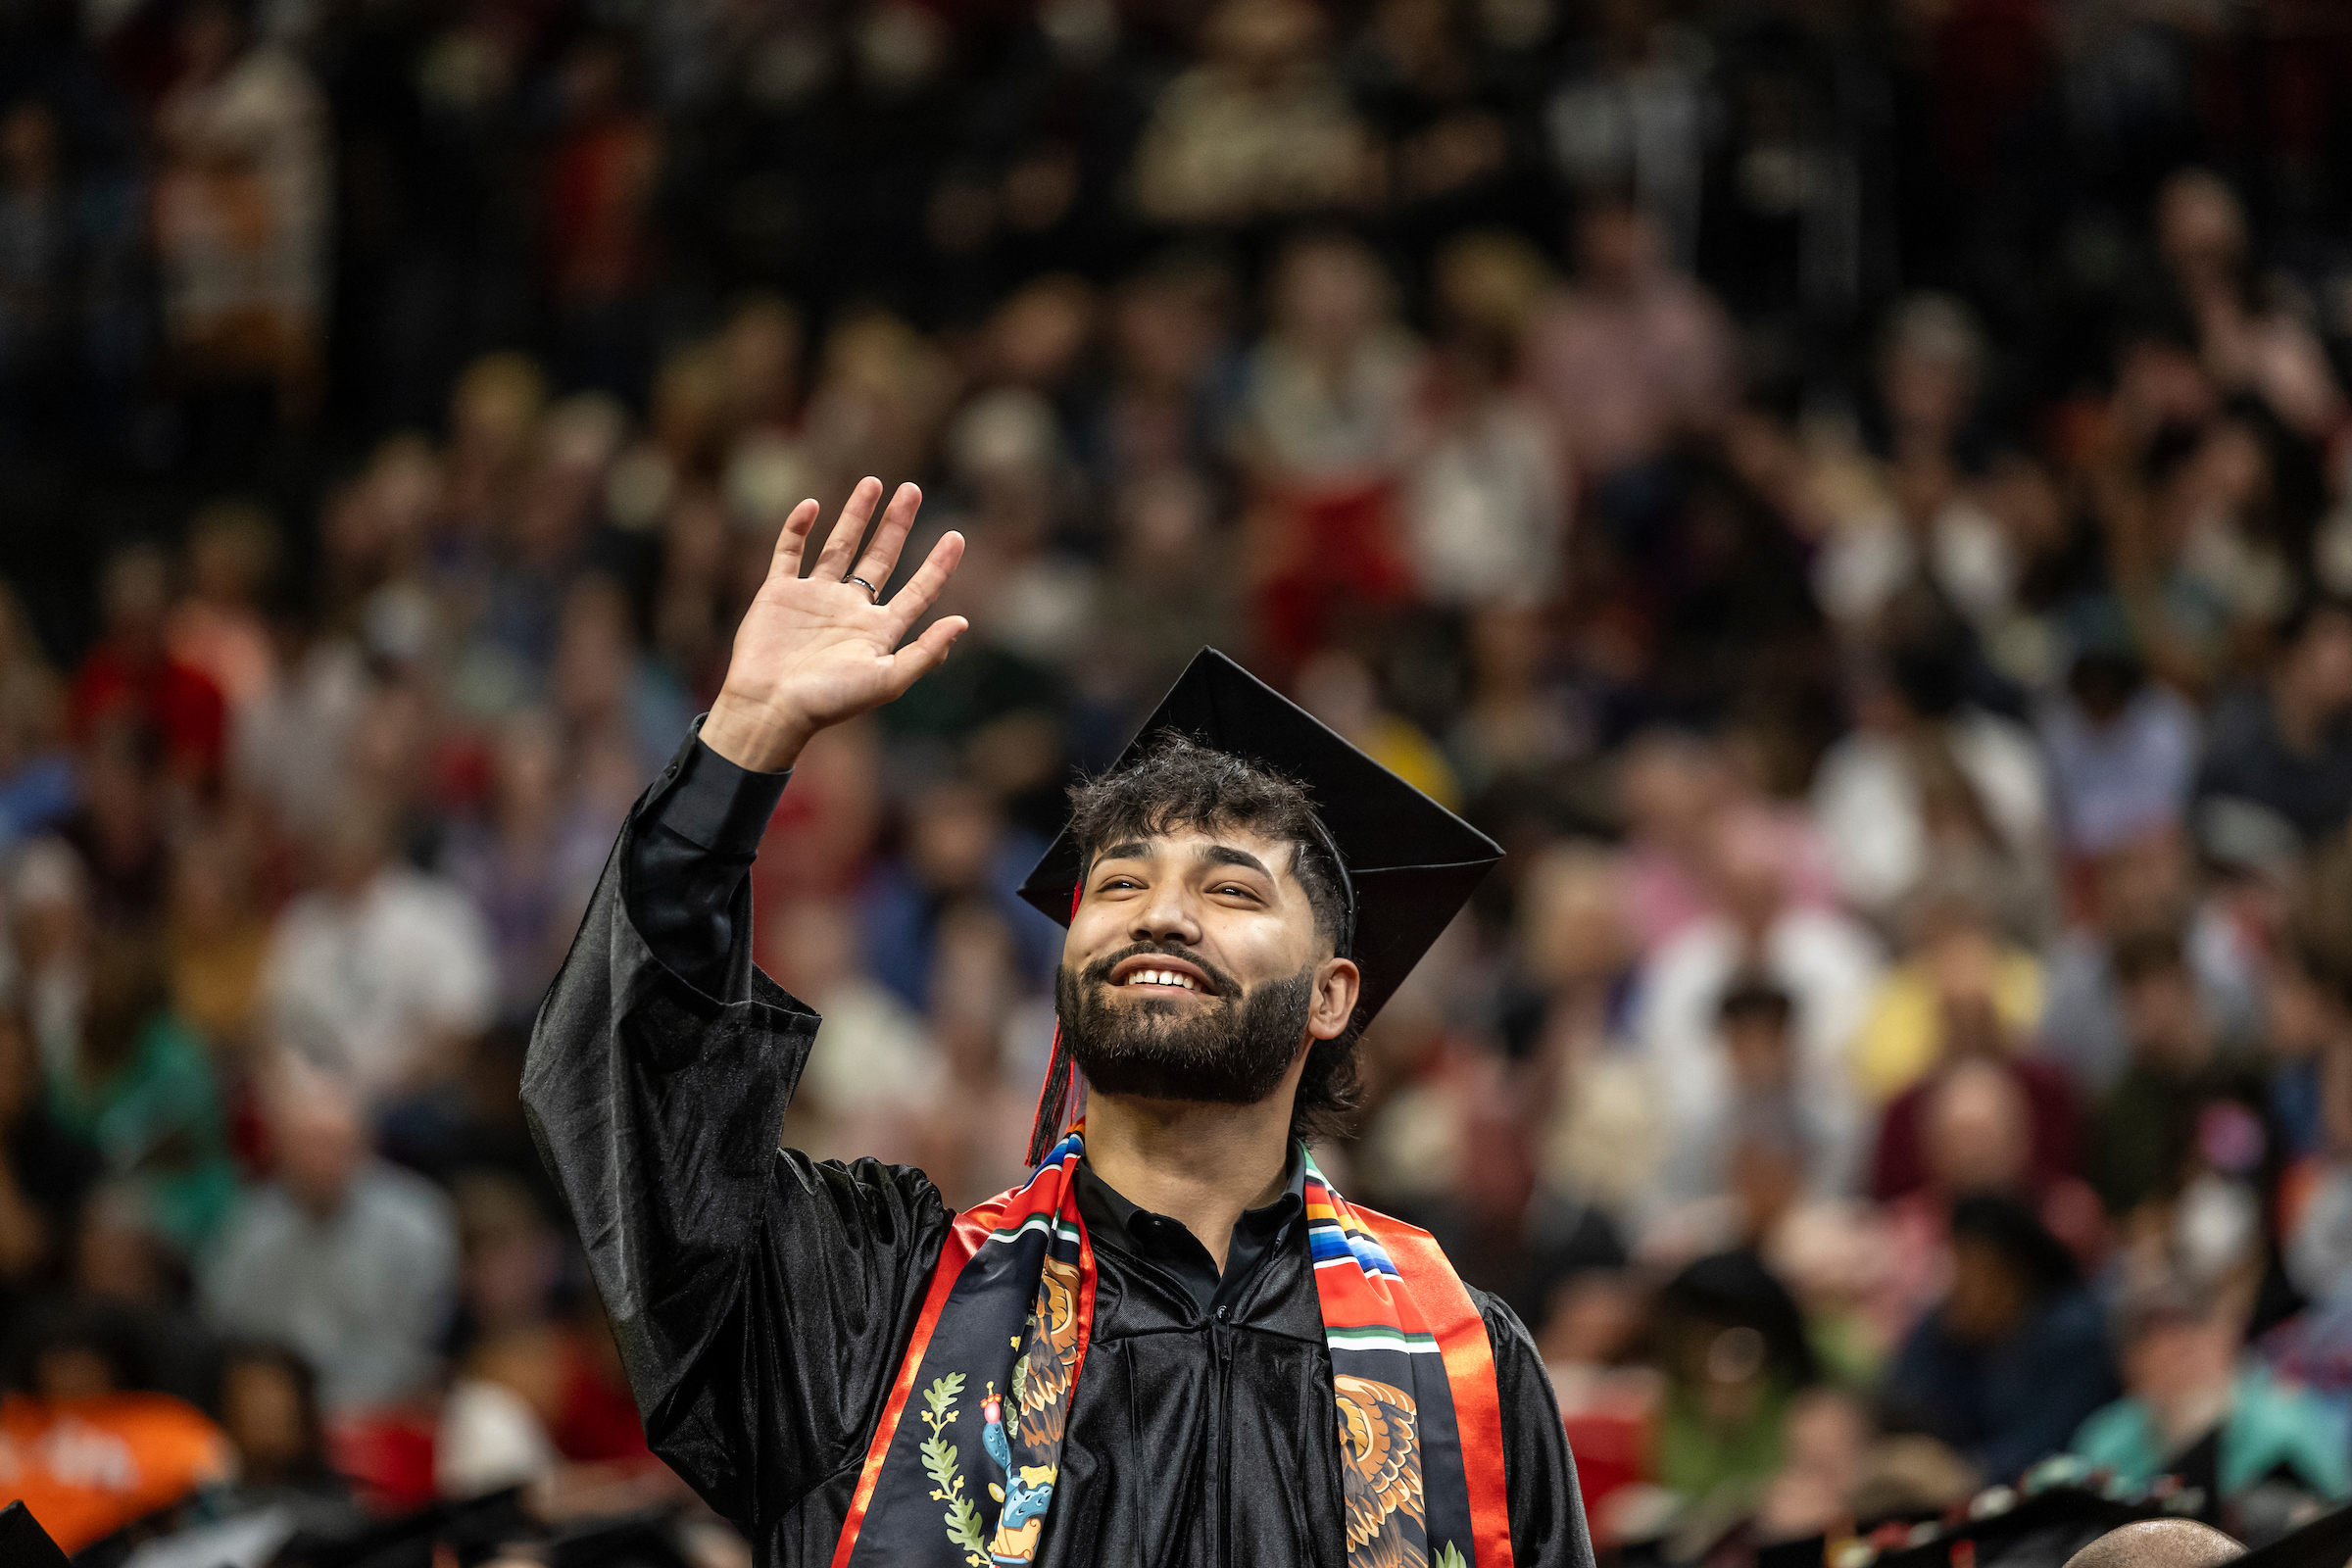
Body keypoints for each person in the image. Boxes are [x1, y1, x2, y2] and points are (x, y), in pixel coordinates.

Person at [523, 479, 1592, 1565]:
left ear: (1333, 995)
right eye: (1119, 885)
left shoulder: (1460, 1361)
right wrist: (743, 739)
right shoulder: (873, 1311)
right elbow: (637, 1112)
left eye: (1230, 891)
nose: (1161, 915)